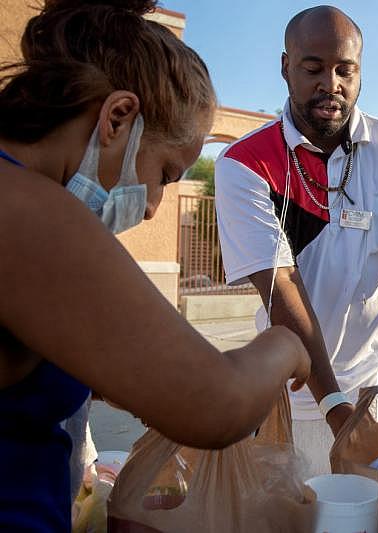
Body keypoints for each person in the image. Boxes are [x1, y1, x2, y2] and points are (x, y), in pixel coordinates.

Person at [0, 1, 310, 530]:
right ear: (118, 119)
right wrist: (287, 346)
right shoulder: (27, 209)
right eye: (166, 173)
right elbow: (217, 404)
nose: (151, 207)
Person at [214, 5, 378, 476]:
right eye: (313, 68)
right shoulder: (245, 164)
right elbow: (282, 290)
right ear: (286, 67)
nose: (332, 84)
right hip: (297, 400)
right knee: (305, 516)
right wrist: (336, 409)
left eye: (346, 69)